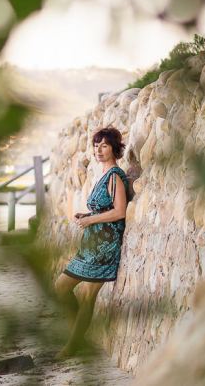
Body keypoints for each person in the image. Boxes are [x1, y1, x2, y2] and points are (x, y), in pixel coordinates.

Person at [54, 126, 129, 358]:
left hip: (105, 244)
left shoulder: (115, 175)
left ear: (114, 149)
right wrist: (86, 217)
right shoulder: (103, 175)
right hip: (92, 242)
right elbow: (105, 208)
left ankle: (73, 346)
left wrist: (91, 220)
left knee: (87, 295)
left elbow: (120, 211)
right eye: (96, 145)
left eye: (104, 145)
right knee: (61, 287)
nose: (99, 150)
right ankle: (79, 338)